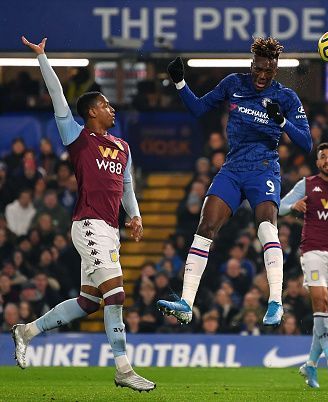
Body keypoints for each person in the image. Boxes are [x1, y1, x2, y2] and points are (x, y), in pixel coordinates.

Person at [12, 36, 154, 392]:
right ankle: (123, 369)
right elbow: (59, 97)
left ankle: (26, 330)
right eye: (106, 105)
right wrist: (43, 58)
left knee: (89, 302)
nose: (112, 109)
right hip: (88, 224)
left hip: (110, 228)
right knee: (117, 295)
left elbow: (127, 188)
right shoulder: (77, 138)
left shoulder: (123, 147)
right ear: (92, 111)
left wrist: (134, 216)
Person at [157, 37, 312, 327]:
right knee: (205, 226)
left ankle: (276, 302)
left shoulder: (286, 97)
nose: (263, 76)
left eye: (269, 70)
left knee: (266, 228)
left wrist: (282, 123)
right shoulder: (233, 84)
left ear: (276, 69)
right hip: (232, 168)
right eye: (259, 69)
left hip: (264, 170)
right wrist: (180, 83)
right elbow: (199, 109)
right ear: (251, 65)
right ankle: (186, 303)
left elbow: (307, 144)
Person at [279, 143, 328, 388]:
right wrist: (293, 206)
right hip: (312, 251)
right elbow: (279, 206)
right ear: (317, 163)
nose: (326, 160)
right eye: (322, 157)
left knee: (327, 312)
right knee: (320, 302)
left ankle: (310, 364)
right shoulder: (307, 184)